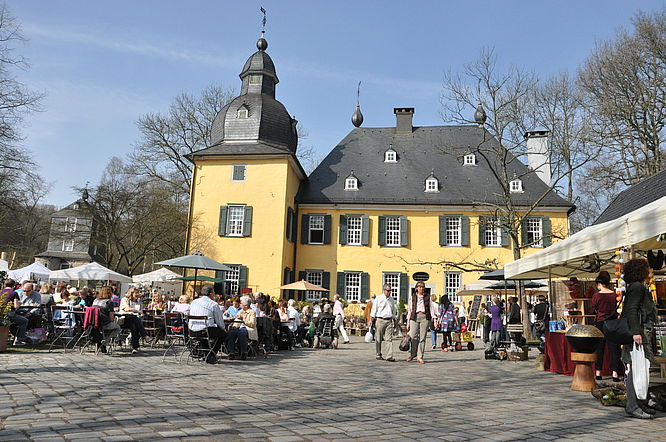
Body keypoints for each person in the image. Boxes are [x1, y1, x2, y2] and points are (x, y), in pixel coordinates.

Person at [620, 258, 657, 419]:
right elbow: (632, 310)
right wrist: (636, 332)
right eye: (646, 268)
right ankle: (633, 406)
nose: (649, 271)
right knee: (636, 369)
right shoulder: (637, 288)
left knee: (640, 367)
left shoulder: (636, 287)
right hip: (638, 333)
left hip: (640, 332)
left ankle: (640, 403)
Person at [590, 271, 621, 382]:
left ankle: (598, 373)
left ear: (599, 283)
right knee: (614, 349)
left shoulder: (596, 295)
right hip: (613, 323)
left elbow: (592, 310)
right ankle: (615, 374)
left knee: (600, 349)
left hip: (600, 323)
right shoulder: (615, 295)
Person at [189, 285, 226, 363]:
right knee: (223, 334)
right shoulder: (213, 304)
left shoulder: (194, 302)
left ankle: (207, 354)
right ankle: (211, 354)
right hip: (205, 330)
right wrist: (223, 328)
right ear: (211, 294)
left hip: (192, 331)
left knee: (204, 335)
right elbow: (219, 321)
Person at [406, 282, 438, 363]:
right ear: (416, 288)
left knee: (422, 338)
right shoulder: (412, 297)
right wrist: (408, 322)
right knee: (413, 336)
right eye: (419, 287)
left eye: (422, 287)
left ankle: (420, 356)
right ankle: (413, 354)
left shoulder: (427, 297)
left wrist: (434, 320)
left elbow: (431, 309)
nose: (421, 288)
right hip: (415, 317)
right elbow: (409, 310)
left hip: (425, 317)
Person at [369, 284, 397, 362]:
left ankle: (389, 356)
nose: (389, 292)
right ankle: (378, 354)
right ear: (384, 290)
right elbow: (374, 310)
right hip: (380, 320)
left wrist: (394, 320)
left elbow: (393, 310)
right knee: (379, 338)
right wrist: (371, 319)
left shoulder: (392, 299)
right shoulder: (379, 298)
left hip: (389, 320)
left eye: (390, 291)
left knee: (389, 339)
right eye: (388, 291)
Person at [226, 295, 257, 360]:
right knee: (232, 333)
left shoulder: (252, 312)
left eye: (241, 303)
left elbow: (252, 324)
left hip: (248, 329)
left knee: (241, 332)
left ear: (245, 305)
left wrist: (243, 320)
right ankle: (231, 352)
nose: (240, 305)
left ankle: (243, 352)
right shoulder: (241, 311)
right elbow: (236, 318)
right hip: (238, 327)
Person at [92, 286, 121, 353]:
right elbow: (111, 318)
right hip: (104, 324)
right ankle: (104, 341)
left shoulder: (95, 300)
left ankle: (101, 344)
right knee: (117, 327)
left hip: (94, 323)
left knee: (108, 328)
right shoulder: (109, 302)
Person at [119, 288, 147, 354]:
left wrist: (142, 313)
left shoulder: (138, 301)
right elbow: (127, 309)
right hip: (124, 320)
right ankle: (144, 336)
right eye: (136, 293)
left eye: (138, 293)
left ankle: (135, 347)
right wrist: (137, 311)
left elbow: (141, 311)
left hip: (134, 321)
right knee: (135, 320)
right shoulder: (125, 299)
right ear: (131, 293)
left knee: (135, 326)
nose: (137, 294)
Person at [2, 279, 30, 345]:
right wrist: (19, 303)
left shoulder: (1, 292)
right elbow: (16, 306)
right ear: (14, 286)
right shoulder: (14, 293)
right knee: (24, 321)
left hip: (2, 313)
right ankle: (18, 340)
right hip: (9, 313)